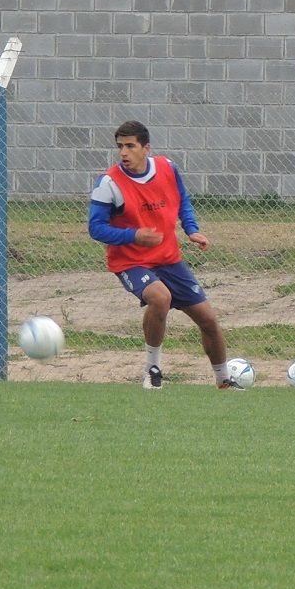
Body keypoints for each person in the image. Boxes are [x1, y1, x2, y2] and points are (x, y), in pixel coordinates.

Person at [87, 120, 236, 389]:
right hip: (130, 262)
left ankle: (224, 381)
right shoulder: (108, 183)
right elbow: (95, 228)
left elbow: (182, 199)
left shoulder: (167, 168)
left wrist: (192, 230)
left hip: (168, 259)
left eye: (130, 146)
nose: (123, 152)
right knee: (160, 297)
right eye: (120, 146)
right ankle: (152, 370)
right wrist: (134, 236)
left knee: (209, 320)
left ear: (146, 148)